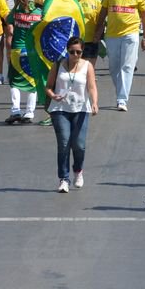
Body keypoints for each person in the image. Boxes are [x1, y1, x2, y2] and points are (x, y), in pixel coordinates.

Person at [95, 0, 145, 111]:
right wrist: (98, 31)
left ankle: (121, 99)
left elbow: (144, 15)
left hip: (130, 33)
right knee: (113, 67)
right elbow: (103, 11)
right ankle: (121, 91)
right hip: (112, 34)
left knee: (127, 66)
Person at [45, 36, 98, 193]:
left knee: (79, 145)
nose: (75, 55)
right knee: (64, 143)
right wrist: (53, 95)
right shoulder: (58, 65)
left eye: (79, 52)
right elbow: (48, 86)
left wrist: (94, 103)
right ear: (67, 51)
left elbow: (92, 86)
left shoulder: (87, 66)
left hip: (81, 109)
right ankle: (64, 178)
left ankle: (78, 170)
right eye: (72, 52)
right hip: (60, 109)